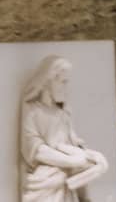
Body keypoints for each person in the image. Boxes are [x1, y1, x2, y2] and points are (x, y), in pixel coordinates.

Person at [19, 55, 108, 202]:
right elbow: (36, 150)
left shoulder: (64, 112)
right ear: (48, 82)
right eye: (63, 82)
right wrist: (73, 161)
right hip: (46, 178)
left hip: (69, 174)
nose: (66, 87)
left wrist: (91, 156)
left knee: (100, 164)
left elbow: (71, 145)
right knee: (57, 178)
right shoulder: (33, 111)